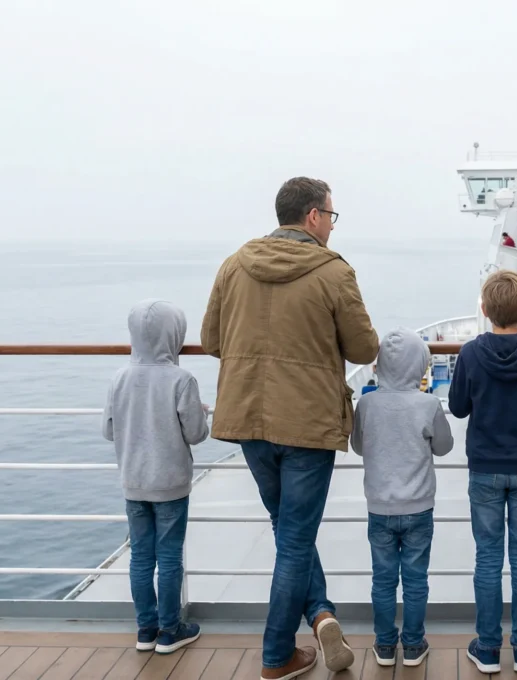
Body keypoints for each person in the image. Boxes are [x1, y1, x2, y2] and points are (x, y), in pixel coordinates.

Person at [201, 177, 378, 680]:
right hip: (307, 423)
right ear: (313, 217)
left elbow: (211, 339)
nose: (331, 225)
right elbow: (365, 350)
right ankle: (277, 654)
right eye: (332, 216)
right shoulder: (332, 271)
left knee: (287, 531)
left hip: (249, 419)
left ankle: (320, 612)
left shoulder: (235, 265)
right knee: (296, 538)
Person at [448, 270, 517, 675]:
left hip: (485, 470)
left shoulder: (470, 353)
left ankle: (489, 649)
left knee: (488, 558)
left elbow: (459, 407)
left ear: (484, 309)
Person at [102, 299, 210, 655]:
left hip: (133, 482)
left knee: (140, 558)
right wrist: (201, 413)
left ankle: (145, 630)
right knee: (169, 557)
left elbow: (108, 430)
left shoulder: (119, 378)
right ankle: (170, 629)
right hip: (171, 484)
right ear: (175, 336)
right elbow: (195, 433)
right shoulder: (181, 379)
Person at [351, 328, 454, 668]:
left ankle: (383, 645)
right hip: (419, 507)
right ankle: (412, 645)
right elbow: (444, 446)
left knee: (382, 580)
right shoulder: (427, 404)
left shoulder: (367, 403)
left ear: (380, 365)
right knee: (415, 580)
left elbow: (358, 446)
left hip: (379, 507)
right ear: (420, 367)